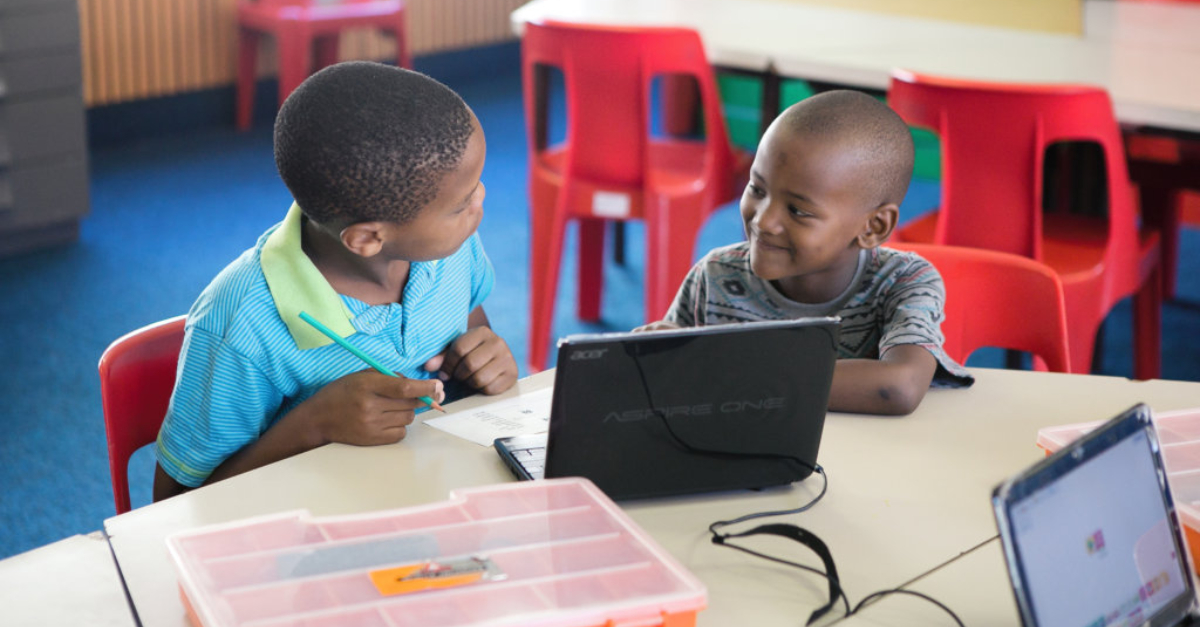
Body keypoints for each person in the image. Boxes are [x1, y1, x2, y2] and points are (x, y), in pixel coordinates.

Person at [154, 62, 518, 500]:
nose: (481, 201)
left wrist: (486, 354)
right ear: (367, 238)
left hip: (437, 502)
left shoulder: (448, 251)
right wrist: (315, 424)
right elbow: (175, 503)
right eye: (461, 205)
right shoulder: (241, 324)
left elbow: (473, 329)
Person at [641, 90, 972, 415]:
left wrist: (723, 367)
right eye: (757, 189)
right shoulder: (715, 275)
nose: (765, 221)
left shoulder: (904, 282)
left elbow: (899, 387)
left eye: (798, 211)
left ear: (873, 227)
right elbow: (669, 383)